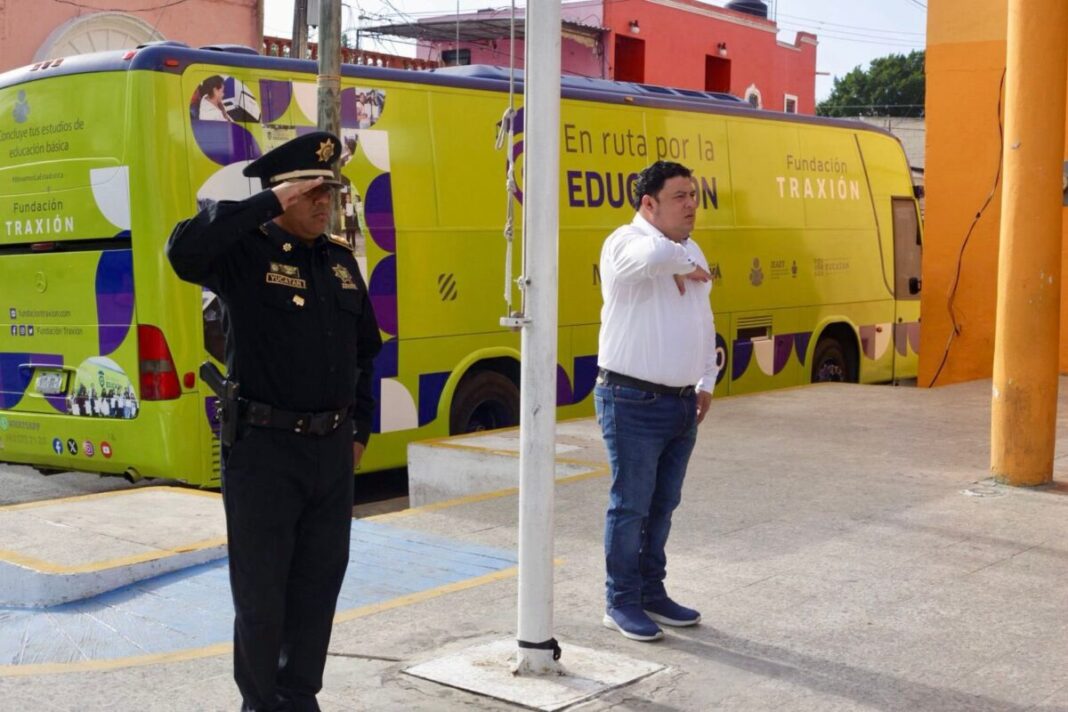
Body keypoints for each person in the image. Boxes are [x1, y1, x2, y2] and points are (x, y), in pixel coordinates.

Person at [166, 131, 382, 711]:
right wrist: (267, 204)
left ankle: (299, 695)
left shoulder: (337, 261)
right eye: (311, 192)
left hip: (331, 451)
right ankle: (260, 703)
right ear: (282, 193)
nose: (323, 203)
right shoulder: (245, 252)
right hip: (263, 451)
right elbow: (182, 252)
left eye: (329, 192)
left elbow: (367, 351)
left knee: (317, 587)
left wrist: (361, 430)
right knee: (262, 595)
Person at [595, 160, 717, 642]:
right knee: (630, 507)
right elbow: (648, 259)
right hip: (631, 401)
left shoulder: (688, 248)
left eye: (693, 196)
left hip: (681, 403)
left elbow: (702, 319)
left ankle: (651, 591)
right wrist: (684, 261)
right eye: (679, 196)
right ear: (648, 204)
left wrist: (706, 379)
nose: (691, 205)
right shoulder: (623, 243)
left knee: (663, 505)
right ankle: (620, 600)